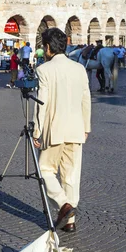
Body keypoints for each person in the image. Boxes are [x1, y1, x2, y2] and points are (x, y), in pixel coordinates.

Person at [33, 28, 91, 233]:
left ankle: (63, 204)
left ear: (47, 47)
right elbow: (86, 99)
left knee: (45, 170)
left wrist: (36, 130)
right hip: (76, 128)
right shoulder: (79, 68)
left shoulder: (44, 70)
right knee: (71, 175)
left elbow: (42, 103)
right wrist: (86, 126)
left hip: (54, 129)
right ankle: (70, 221)